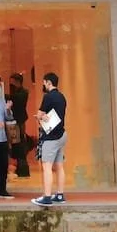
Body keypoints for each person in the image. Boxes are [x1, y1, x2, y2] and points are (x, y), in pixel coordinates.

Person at [31, 72, 67, 207]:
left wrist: (39, 116)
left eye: (44, 83)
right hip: (62, 135)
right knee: (59, 166)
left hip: (51, 137)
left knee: (47, 167)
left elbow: (40, 114)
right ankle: (60, 194)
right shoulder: (62, 97)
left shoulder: (48, 97)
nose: (43, 85)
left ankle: (46, 197)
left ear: (49, 82)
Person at [8, 73, 31, 178]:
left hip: (19, 121)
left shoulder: (23, 92)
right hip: (14, 121)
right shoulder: (16, 92)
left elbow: (17, 101)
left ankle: (23, 168)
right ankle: (19, 167)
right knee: (15, 144)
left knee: (19, 144)